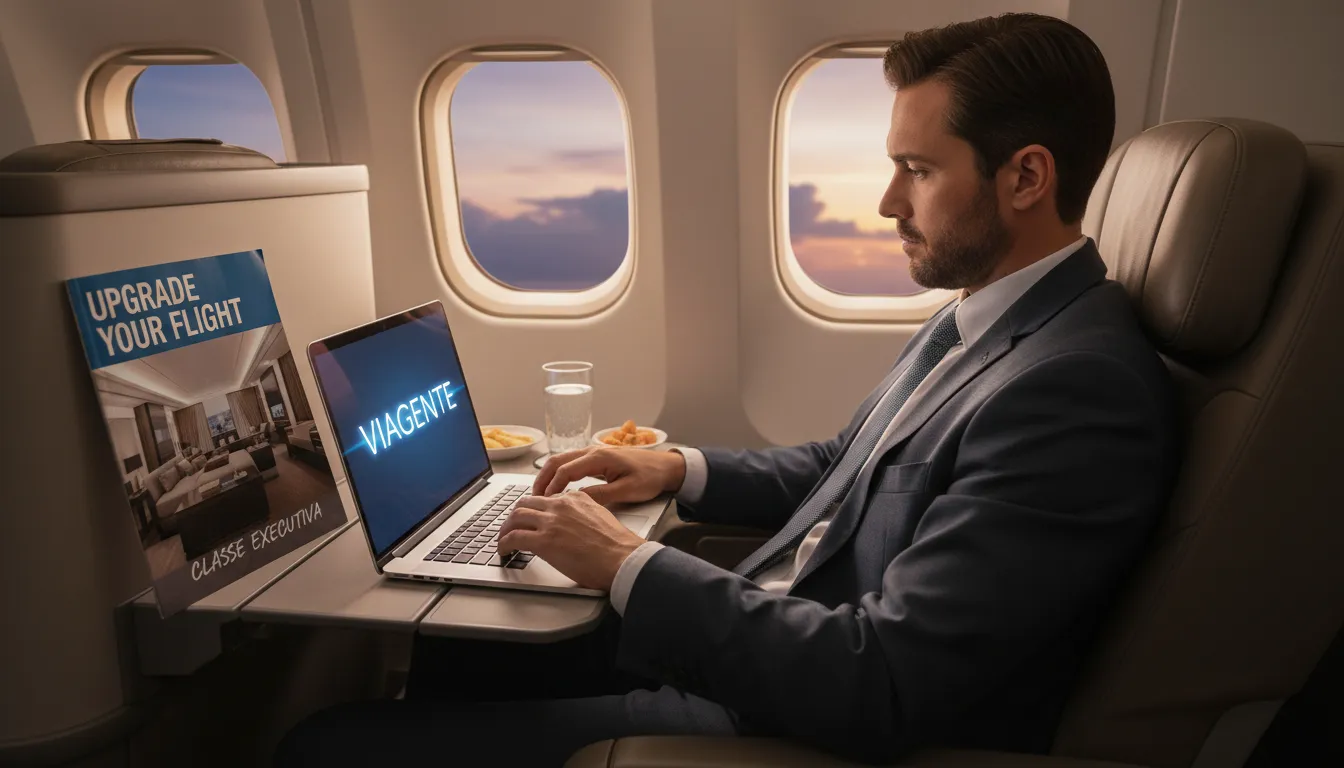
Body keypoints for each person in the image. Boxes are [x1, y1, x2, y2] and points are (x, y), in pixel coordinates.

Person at [276, 12, 1176, 766]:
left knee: (331, 746)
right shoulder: (984, 317)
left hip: (791, 714)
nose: (887, 204)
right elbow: (847, 470)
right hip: (769, 646)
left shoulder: (1075, 392)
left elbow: (886, 678)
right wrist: (677, 468)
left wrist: (628, 564)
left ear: (1026, 176)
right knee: (456, 648)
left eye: (919, 169)